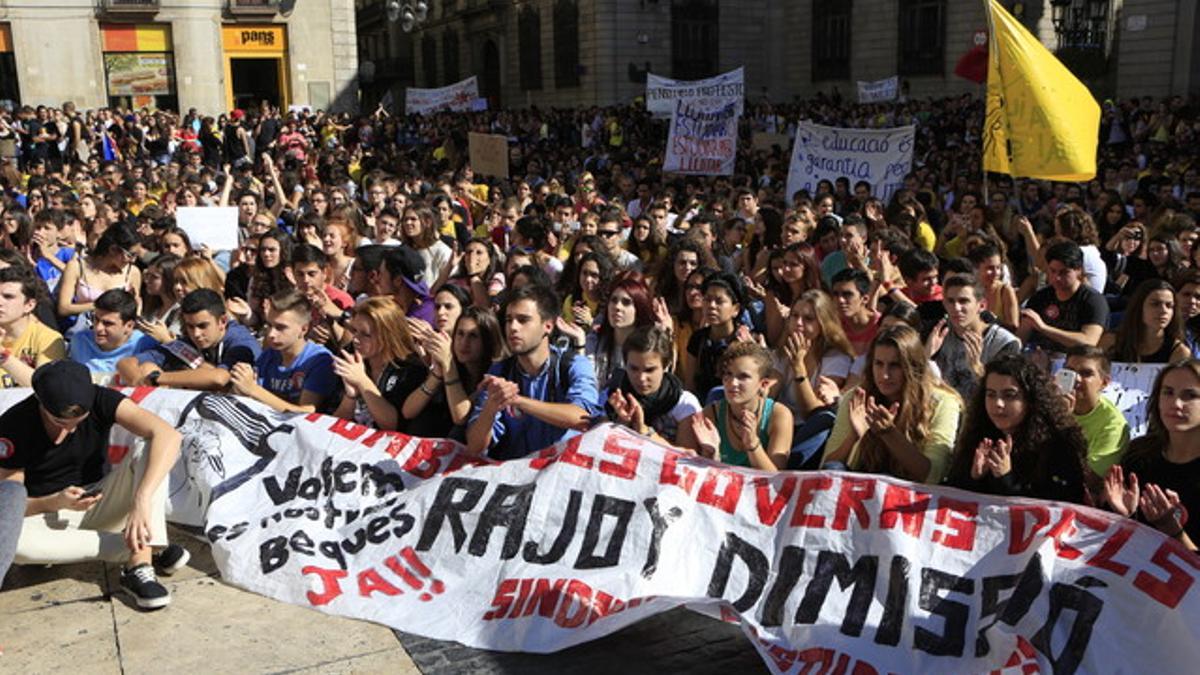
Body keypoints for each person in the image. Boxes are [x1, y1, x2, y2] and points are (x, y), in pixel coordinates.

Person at [0, 360, 187, 609]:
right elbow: (10, 506)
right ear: (40, 404)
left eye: (79, 418)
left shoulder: (102, 398)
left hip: (103, 496)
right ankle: (144, 547)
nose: (71, 428)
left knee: (151, 445)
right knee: (17, 545)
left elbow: (168, 435)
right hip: (47, 512)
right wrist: (55, 501)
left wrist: (141, 499)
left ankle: (138, 566)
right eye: (59, 421)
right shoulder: (14, 425)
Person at [466, 284, 600, 459]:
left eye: (523, 320)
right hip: (514, 476)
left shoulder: (574, 364)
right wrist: (491, 407)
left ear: (548, 326)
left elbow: (582, 419)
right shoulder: (499, 372)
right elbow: (475, 447)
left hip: (561, 473)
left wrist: (517, 400)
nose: (513, 327)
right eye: (508, 320)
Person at [823, 325, 962, 484]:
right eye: (879, 364)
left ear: (912, 367)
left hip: (909, 496)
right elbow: (826, 468)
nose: (885, 375)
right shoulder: (856, 397)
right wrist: (854, 436)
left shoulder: (942, 403)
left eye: (895, 365)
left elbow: (933, 475)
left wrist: (889, 433)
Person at [946, 353, 1089, 504]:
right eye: (991, 395)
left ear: (1031, 399)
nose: (998, 404)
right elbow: (952, 495)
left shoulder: (1058, 444)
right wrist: (974, 477)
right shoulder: (979, 435)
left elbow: (1059, 508)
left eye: (1009, 395)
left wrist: (1005, 477)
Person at [1103, 358, 1200, 550]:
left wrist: (1173, 531)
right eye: (1168, 392)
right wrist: (1126, 516)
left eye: (1190, 395)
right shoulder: (1140, 453)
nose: (1176, 403)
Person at [677, 341, 792, 472]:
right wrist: (710, 454)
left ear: (764, 384)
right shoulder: (711, 415)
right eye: (728, 374)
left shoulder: (779, 415)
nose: (732, 383)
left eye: (743, 377)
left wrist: (753, 444)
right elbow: (693, 472)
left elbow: (776, 481)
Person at [771, 290, 854, 469]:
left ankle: (791, 470)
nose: (798, 323)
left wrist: (799, 369)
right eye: (794, 316)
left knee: (824, 419)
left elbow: (813, 411)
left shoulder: (836, 358)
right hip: (780, 426)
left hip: (808, 431)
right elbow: (768, 395)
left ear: (823, 324)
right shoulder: (782, 353)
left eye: (808, 319)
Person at [118, 289, 261, 391]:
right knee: (147, 367)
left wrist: (156, 378)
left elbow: (219, 379)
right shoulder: (188, 340)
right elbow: (126, 363)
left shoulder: (241, 341)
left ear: (222, 321)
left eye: (202, 326)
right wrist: (139, 381)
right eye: (190, 326)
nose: (196, 334)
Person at [331, 297, 435, 433]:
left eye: (366, 334)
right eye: (354, 331)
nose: (356, 339)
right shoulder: (350, 355)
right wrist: (350, 396)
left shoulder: (409, 368)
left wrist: (362, 381)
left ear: (387, 336)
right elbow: (334, 422)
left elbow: (392, 425)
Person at [230, 290, 337, 414]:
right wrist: (241, 383)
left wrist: (254, 390)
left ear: (304, 329)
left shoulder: (319, 360)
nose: (271, 334)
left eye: (280, 328)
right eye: (269, 325)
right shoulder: (269, 355)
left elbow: (306, 412)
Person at [927, 275, 1021, 401]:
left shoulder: (1004, 343)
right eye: (951, 301)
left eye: (963, 301)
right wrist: (925, 356)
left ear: (981, 305)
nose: (956, 308)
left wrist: (978, 368)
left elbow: (1004, 394)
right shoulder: (937, 333)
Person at [606, 326, 701, 444]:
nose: (641, 378)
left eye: (649, 370)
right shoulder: (612, 397)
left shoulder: (684, 404)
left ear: (666, 366)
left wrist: (643, 430)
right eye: (634, 369)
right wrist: (622, 423)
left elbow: (688, 456)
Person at [1019, 241, 1108, 353]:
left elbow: (1089, 341)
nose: (1057, 278)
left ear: (1079, 271)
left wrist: (1044, 328)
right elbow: (1021, 338)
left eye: (1064, 273)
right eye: (1052, 271)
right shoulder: (1040, 297)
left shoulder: (1093, 300)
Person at [1064, 346, 1130, 478]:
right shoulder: (1051, 405)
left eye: (1086, 373)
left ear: (1104, 382)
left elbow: (1090, 478)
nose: (1076, 379)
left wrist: (1061, 421)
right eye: (1069, 372)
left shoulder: (1113, 425)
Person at [0, 266, 67, 388]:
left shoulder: (48, 339)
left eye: (8, 297)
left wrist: (2, 355)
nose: (0, 302)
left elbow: (45, 387)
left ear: (29, 305)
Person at [67, 289, 157, 378]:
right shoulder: (79, 342)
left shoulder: (144, 345)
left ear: (129, 326)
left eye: (108, 323)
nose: (98, 328)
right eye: (96, 319)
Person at [684, 272, 746, 399]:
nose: (711, 306)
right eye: (707, 299)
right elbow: (690, 385)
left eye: (719, 301)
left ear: (736, 309)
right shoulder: (698, 339)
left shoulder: (744, 342)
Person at [1100, 279, 1191, 363]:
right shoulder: (1111, 341)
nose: (1164, 310)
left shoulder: (1179, 352)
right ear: (1139, 307)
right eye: (1155, 304)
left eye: (1169, 305)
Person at [830, 268, 881, 356]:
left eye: (847, 294)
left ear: (864, 299)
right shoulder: (832, 327)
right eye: (835, 294)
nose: (840, 300)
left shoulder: (881, 325)